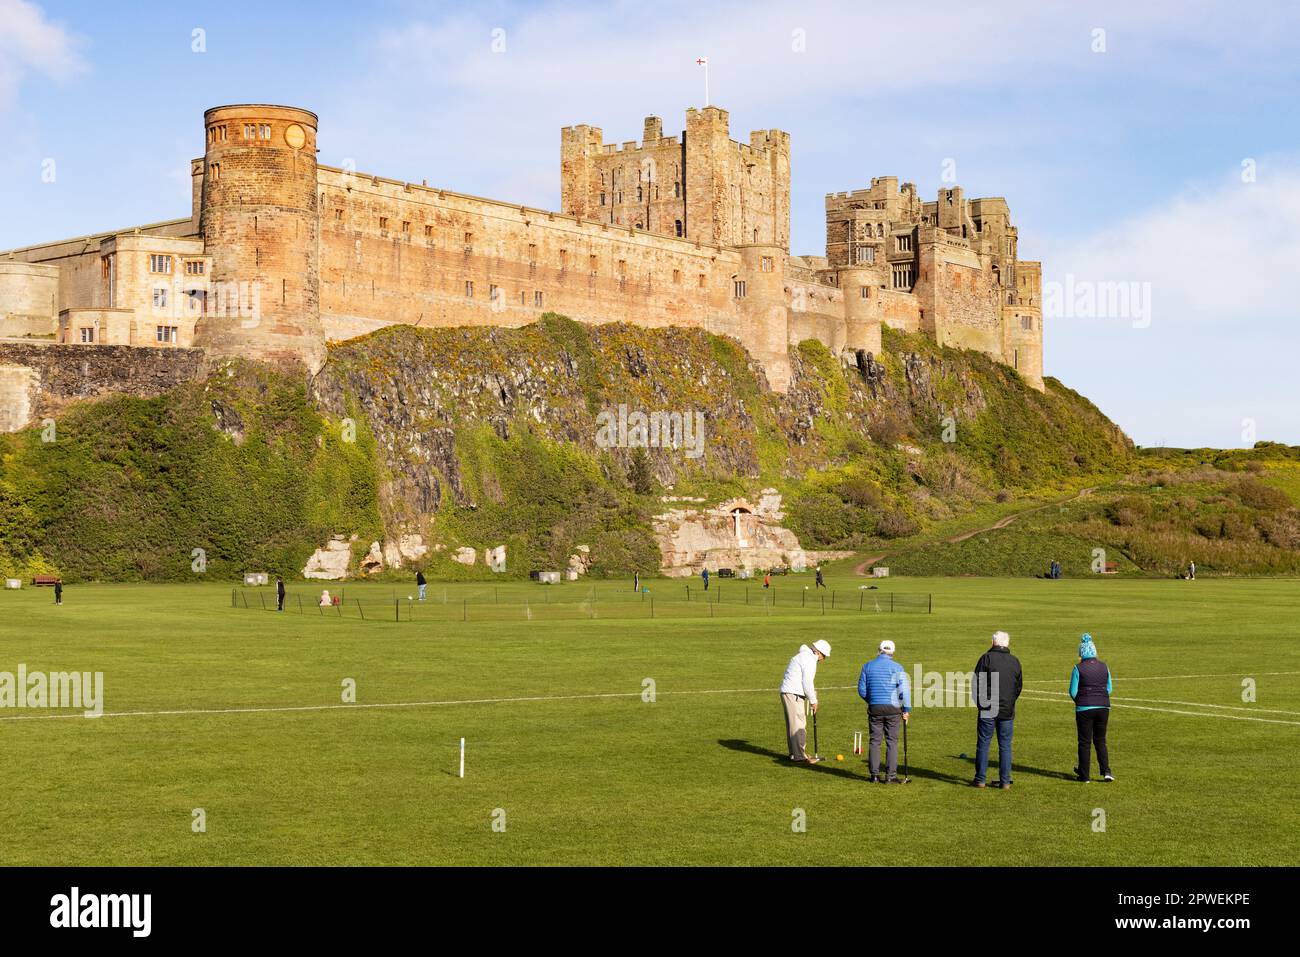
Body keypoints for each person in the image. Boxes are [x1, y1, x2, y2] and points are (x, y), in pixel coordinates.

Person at [972, 631, 1023, 789]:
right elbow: (1018, 686)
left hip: (988, 707)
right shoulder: (1015, 661)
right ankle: (1005, 781)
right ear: (1007, 644)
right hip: (1007, 708)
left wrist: (980, 703)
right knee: (1005, 745)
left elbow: (976, 684)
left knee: (984, 743)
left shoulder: (986, 658)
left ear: (993, 642)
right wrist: (1010, 701)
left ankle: (980, 779)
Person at [857, 639, 912, 783]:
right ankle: (890, 776)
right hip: (893, 708)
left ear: (879, 650)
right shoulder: (898, 667)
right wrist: (906, 709)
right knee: (891, 741)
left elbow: (862, 690)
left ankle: (874, 775)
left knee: (875, 741)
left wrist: (872, 700)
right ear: (892, 652)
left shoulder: (867, 666)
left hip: (875, 707)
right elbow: (904, 691)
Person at [1070, 633, 1114, 783]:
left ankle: (1085, 775)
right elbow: (1109, 688)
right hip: (1103, 707)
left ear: (1081, 653)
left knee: (1084, 742)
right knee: (1100, 740)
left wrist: (1080, 701)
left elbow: (1073, 691)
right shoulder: (1104, 666)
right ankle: (1106, 771)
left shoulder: (1078, 668)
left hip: (1084, 707)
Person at [780, 639, 831, 763]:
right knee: (798, 725)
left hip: (789, 692)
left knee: (793, 724)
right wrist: (813, 700)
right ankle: (799, 756)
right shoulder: (809, 660)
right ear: (818, 652)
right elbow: (807, 683)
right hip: (793, 693)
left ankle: (795, 753)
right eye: (824, 656)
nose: (823, 660)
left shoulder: (804, 656)